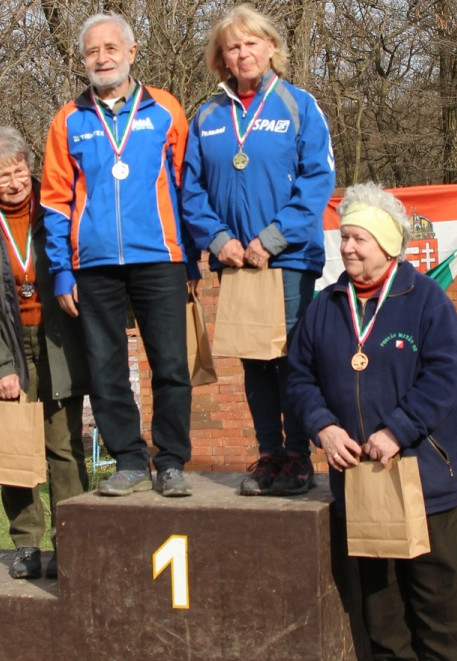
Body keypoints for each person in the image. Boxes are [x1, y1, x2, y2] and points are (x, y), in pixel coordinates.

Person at [287, 182, 457, 659]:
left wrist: (397, 430)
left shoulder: (427, 300)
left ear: (387, 244)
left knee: (440, 618)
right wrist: (324, 428)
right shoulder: (323, 307)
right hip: (360, 486)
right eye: (344, 237)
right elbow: (300, 379)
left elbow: (445, 378)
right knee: (383, 618)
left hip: (424, 483)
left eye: (359, 238)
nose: (347, 246)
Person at [182, 3, 335, 496]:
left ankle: (298, 456)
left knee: (290, 358)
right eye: (233, 46)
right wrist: (220, 241)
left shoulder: (299, 105)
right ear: (221, 58)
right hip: (234, 260)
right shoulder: (206, 115)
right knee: (253, 360)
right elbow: (190, 189)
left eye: (252, 43)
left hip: (285, 258)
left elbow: (317, 181)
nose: (243, 53)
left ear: (271, 47)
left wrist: (270, 240)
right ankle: (269, 453)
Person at [41, 13, 196, 497]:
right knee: (106, 367)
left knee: (170, 364)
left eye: (111, 48)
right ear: (83, 60)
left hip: (160, 258)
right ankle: (129, 460)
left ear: (131, 52)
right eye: (92, 51)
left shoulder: (165, 109)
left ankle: (170, 461)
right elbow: (53, 200)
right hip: (95, 265)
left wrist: (190, 260)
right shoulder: (68, 119)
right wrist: (61, 272)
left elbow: (187, 186)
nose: (102, 57)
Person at [0, 126, 90, 579]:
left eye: (18, 171)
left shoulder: (56, 203)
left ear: (30, 168)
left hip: (59, 340)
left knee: (64, 448)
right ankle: (27, 544)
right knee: (16, 450)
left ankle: (72, 540)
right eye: (1, 176)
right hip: (11, 346)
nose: (13, 183)